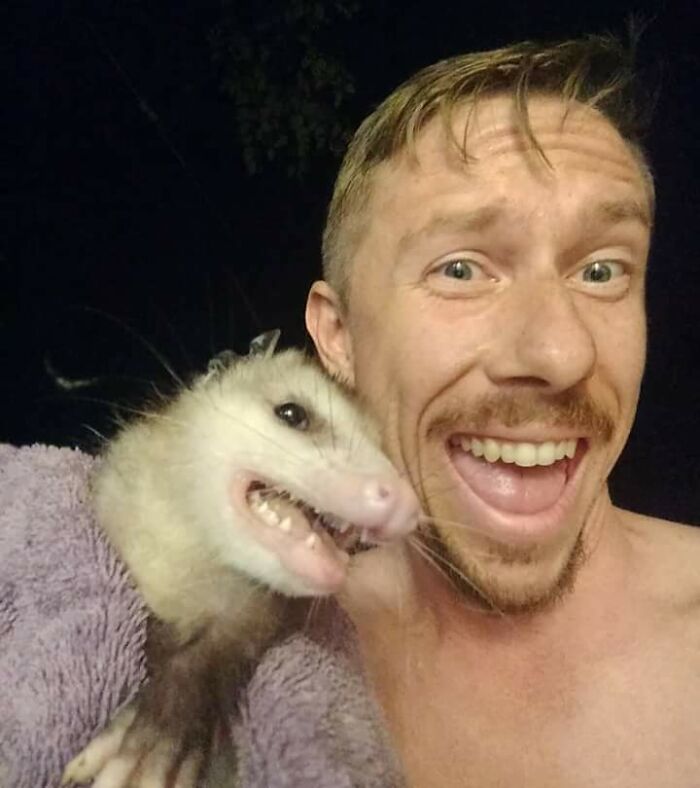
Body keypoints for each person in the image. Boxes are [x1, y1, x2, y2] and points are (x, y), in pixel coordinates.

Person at [305, 35, 700, 787]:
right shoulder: (236, 651)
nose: (559, 353)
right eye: (461, 269)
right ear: (339, 336)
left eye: (601, 269)